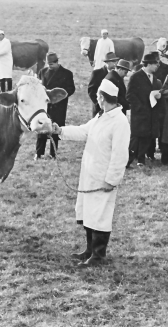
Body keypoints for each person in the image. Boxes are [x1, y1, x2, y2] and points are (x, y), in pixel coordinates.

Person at [53, 79, 130, 267]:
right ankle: (89, 250)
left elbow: (120, 155)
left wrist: (111, 180)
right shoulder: (101, 117)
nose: (96, 99)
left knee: (100, 215)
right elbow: (83, 131)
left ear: (102, 98)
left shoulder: (119, 122)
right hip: (90, 174)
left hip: (104, 178)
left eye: (98, 96)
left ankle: (98, 256)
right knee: (89, 213)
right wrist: (60, 130)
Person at [35, 52, 75, 160]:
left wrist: (59, 96)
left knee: (55, 129)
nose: (49, 66)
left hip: (59, 106)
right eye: (48, 64)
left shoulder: (67, 74)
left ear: (57, 62)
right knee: (41, 129)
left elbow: (71, 89)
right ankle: (39, 153)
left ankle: (53, 154)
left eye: (51, 64)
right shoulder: (42, 72)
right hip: (45, 107)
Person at [126, 53, 162, 167]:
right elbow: (129, 95)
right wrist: (139, 107)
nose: (157, 66)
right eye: (155, 64)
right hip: (139, 114)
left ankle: (141, 160)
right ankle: (127, 161)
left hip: (150, 113)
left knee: (146, 137)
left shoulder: (154, 78)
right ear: (149, 64)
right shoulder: (135, 77)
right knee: (135, 137)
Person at [146, 51, 168, 159]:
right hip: (150, 102)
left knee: (162, 127)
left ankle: (163, 149)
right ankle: (150, 152)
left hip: (163, 102)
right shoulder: (146, 69)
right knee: (151, 127)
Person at [88, 52, 118, 116]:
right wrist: (99, 104)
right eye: (113, 62)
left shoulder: (116, 75)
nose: (115, 64)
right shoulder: (96, 73)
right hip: (99, 110)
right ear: (107, 62)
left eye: (116, 62)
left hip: (111, 111)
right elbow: (91, 91)